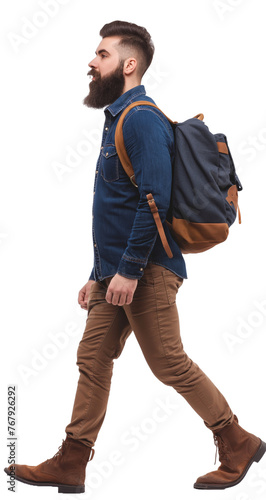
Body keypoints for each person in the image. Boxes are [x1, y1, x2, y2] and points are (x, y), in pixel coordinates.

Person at [4, 20, 265, 494]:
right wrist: (97, 274)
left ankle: (236, 440)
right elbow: (119, 209)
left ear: (128, 65)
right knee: (93, 357)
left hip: (146, 270)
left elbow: (154, 201)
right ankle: (72, 461)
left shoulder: (140, 118)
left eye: (101, 55)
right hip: (116, 272)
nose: (91, 61)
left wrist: (126, 270)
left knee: (167, 361)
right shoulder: (118, 119)